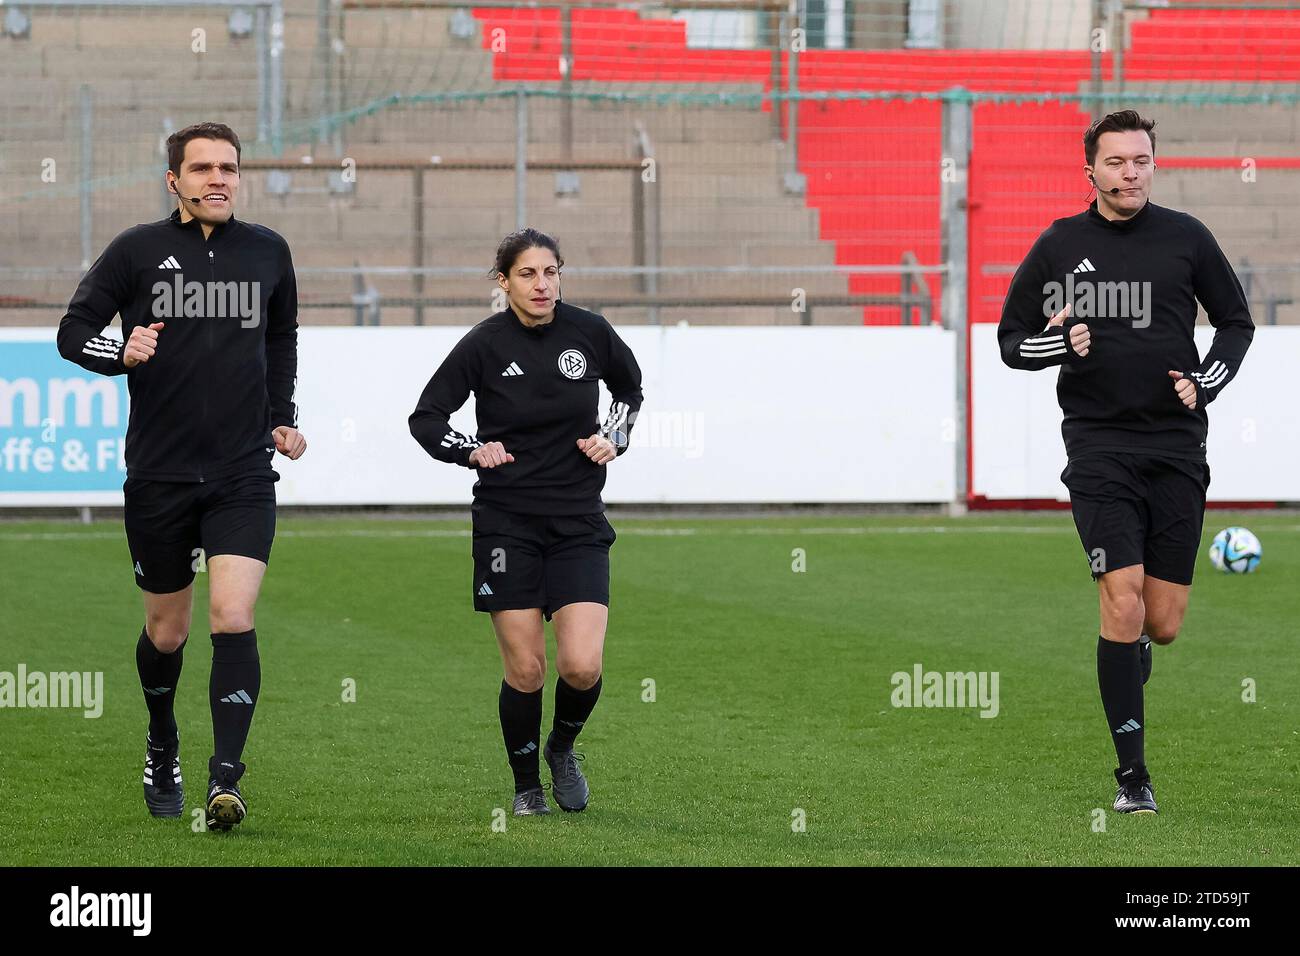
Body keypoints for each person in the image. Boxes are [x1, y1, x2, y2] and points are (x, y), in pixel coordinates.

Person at [997, 110, 1253, 814]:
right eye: (1116, 162)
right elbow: (1011, 339)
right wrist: (1064, 344)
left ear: (1152, 164)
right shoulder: (1060, 245)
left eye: (1140, 160)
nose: (1130, 172)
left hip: (1176, 447)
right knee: (1122, 596)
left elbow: (1236, 322)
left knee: (1161, 622)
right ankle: (1133, 778)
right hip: (1098, 446)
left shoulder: (1185, 238)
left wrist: (1205, 381)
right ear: (1091, 171)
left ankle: (1136, 652)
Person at [56, 121, 306, 831]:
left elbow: (282, 337)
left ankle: (225, 778)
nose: (218, 179)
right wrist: (120, 349)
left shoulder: (268, 252)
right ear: (175, 181)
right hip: (160, 475)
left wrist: (281, 416)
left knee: (233, 617)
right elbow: (72, 331)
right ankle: (161, 738)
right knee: (167, 634)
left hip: (242, 473)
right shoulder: (137, 251)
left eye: (228, 167)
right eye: (201, 169)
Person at [410, 228, 643, 815]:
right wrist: (470, 449)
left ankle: (562, 748)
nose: (542, 285)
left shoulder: (589, 332)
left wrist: (613, 437)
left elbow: (630, 391)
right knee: (527, 668)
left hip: (578, 523)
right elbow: (426, 417)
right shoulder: (483, 345)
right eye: (527, 274)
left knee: (582, 666)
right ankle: (525, 788)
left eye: (550, 272)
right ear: (503, 281)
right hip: (505, 526)